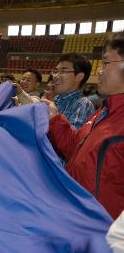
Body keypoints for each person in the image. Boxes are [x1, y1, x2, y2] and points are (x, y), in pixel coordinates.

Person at [44, 32, 124, 219]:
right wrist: (54, 118)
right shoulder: (103, 112)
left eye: (105, 63)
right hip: (75, 216)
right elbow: (75, 148)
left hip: (102, 231)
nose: (99, 71)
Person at [51, 53, 95, 129]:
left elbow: (71, 139)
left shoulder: (82, 104)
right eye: (56, 71)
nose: (55, 76)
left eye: (63, 71)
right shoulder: (56, 99)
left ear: (79, 76)